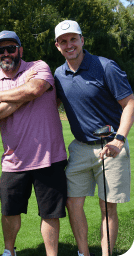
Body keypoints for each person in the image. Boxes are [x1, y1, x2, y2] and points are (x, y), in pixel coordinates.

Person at [0, 30, 68, 256]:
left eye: (11, 48)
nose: (6, 53)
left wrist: (0, 96)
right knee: (10, 211)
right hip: (13, 160)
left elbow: (35, 88)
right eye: (1, 50)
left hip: (48, 156)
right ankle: (9, 251)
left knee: (50, 213)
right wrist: (25, 95)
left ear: (20, 49)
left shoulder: (38, 67)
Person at [54, 20, 134, 256]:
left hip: (111, 146)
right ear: (57, 46)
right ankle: (83, 253)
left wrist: (119, 139)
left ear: (82, 40)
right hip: (79, 148)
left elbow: (129, 103)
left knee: (107, 207)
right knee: (72, 203)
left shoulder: (106, 67)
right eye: (63, 41)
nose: (69, 45)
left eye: (73, 39)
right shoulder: (58, 74)